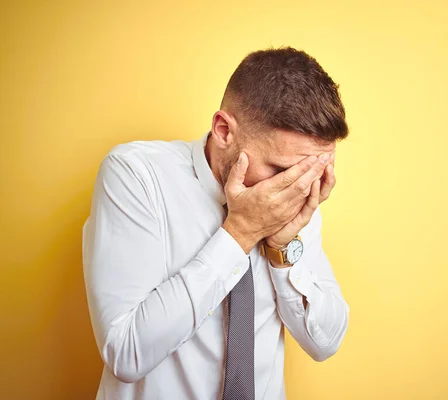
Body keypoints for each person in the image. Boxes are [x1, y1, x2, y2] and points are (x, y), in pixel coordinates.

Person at [82, 46, 350, 400]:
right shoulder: (136, 175)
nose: (299, 187)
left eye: (313, 171)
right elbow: (126, 352)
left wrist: (283, 248)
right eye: (283, 170)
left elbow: (325, 343)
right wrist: (241, 232)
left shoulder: (296, 194)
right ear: (224, 130)